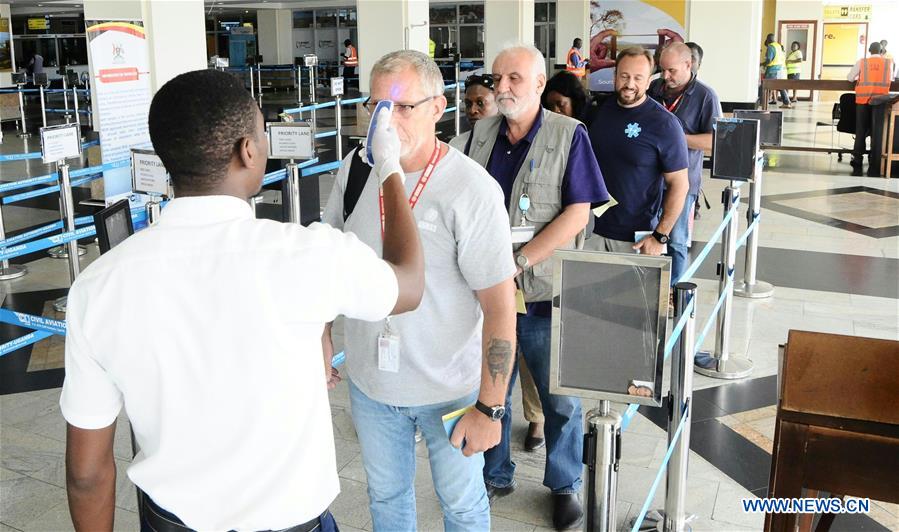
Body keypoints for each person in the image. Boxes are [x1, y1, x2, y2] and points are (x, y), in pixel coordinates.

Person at [60, 69, 426, 531]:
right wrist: (389, 167)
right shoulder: (307, 253)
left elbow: (87, 474)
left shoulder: (98, 285)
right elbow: (409, 284)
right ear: (247, 151)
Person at [322, 50, 517, 531]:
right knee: (387, 499)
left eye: (403, 107)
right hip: (372, 385)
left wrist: (490, 408)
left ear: (438, 107)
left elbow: (499, 305)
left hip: (450, 389)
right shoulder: (356, 170)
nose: (386, 121)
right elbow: (328, 257)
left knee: (462, 504)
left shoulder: (471, 189)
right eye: (376, 106)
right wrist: (322, 334)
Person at [465, 44, 609, 531]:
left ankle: (565, 483)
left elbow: (578, 213)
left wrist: (520, 260)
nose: (502, 87)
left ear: (540, 84)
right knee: (492, 389)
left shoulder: (569, 134)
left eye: (515, 79)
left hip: (545, 290)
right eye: (497, 78)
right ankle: (495, 473)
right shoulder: (479, 135)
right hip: (487, 294)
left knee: (560, 399)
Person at [585, 46, 688, 262]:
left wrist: (660, 236)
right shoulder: (597, 111)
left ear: (649, 81)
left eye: (638, 78)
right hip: (589, 231)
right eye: (624, 76)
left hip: (636, 238)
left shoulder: (665, 124)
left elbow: (679, 184)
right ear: (615, 76)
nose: (630, 84)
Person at [648, 42, 721, 286]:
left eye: (671, 71)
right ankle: (648, 289)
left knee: (676, 240)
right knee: (646, 235)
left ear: (688, 65)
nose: (665, 76)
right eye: (662, 70)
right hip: (649, 180)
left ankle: (675, 291)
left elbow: (715, 141)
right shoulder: (654, 88)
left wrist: (675, 139)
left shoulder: (705, 96)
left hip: (682, 183)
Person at [847, 41, 895, 176]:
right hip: (880, 102)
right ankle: (874, 160)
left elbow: (850, 78)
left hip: (863, 100)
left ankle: (857, 158)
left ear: (869, 50)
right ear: (881, 51)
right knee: (877, 131)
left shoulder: (862, 62)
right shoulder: (888, 63)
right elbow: (891, 78)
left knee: (861, 130)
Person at [449, 73, 497, 150]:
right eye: (468, 104)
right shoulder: (456, 145)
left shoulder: (509, 146)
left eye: (480, 103)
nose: (472, 110)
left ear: (499, 104)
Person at [761, 33, 791, 108]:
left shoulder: (771, 47)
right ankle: (787, 102)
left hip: (772, 70)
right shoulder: (778, 46)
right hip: (780, 69)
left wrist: (762, 64)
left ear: (768, 39)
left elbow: (769, 60)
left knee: (764, 85)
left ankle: (763, 102)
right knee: (780, 86)